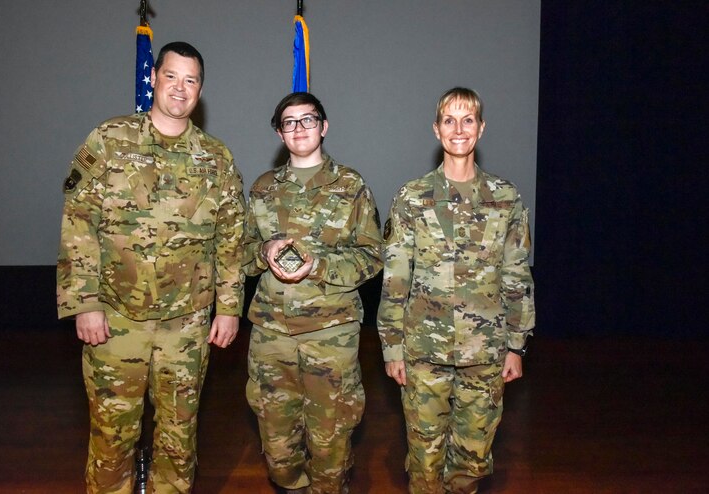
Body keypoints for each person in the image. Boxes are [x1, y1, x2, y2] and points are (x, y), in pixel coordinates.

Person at [57, 41, 245, 493]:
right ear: (154, 78)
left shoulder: (216, 157)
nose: (180, 88)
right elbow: (79, 221)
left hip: (188, 323)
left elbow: (231, 238)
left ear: (200, 89)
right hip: (116, 318)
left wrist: (229, 308)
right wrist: (84, 303)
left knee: (179, 436)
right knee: (112, 434)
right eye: (172, 76)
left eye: (191, 80)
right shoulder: (110, 140)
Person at [377, 87, 535, 494]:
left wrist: (516, 346)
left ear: (481, 128)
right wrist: (392, 347)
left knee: (472, 460)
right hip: (423, 351)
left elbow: (516, 274)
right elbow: (396, 278)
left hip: (485, 352)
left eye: (468, 120)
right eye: (449, 120)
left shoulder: (505, 198)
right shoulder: (412, 197)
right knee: (424, 458)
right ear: (437, 129)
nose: (459, 129)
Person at [242, 92, 383, 493]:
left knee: (330, 439)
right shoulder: (263, 188)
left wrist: (318, 265)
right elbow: (240, 254)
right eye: (289, 122)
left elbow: (372, 257)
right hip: (271, 334)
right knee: (278, 447)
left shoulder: (351, 186)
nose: (299, 128)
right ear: (279, 133)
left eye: (308, 119)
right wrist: (264, 251)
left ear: (324, 127)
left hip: (330, 334)